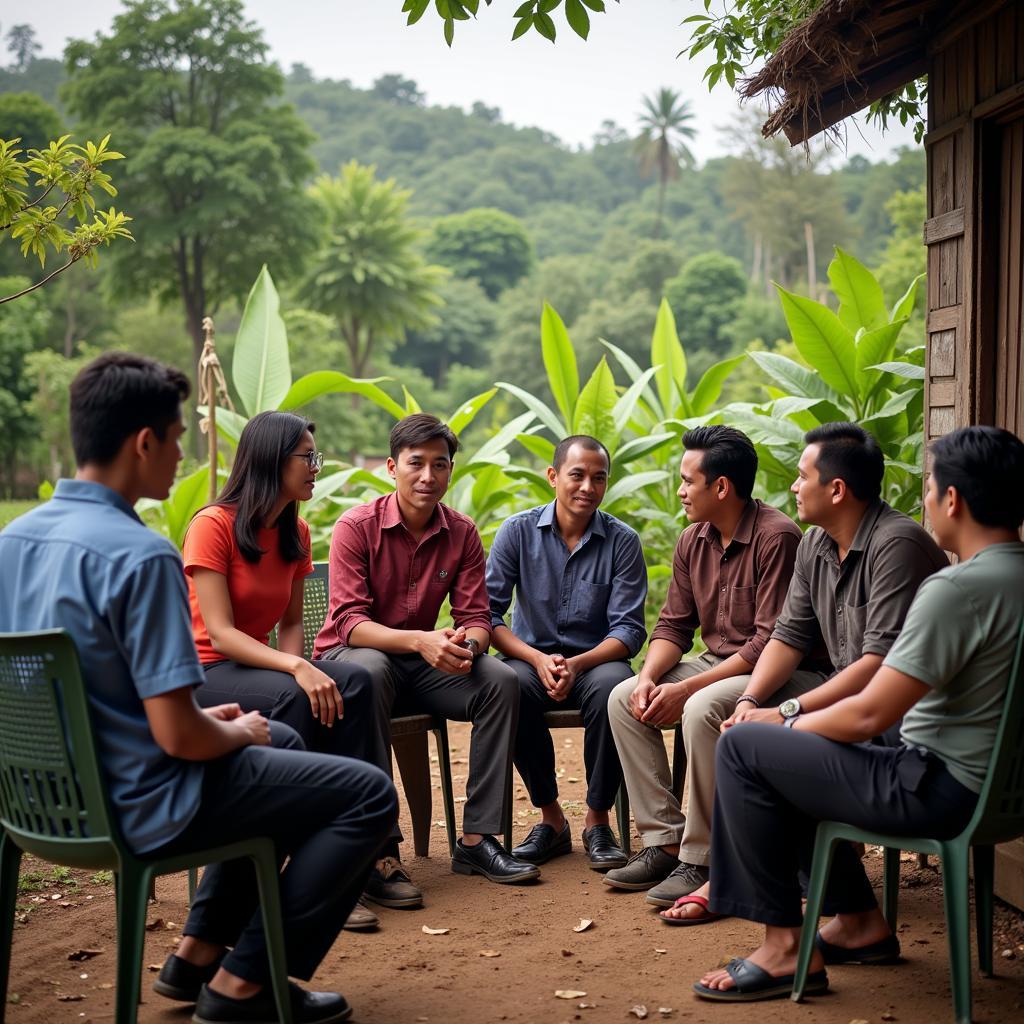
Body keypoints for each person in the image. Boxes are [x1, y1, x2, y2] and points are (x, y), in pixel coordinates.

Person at [0, 353, 397, 1024]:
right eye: (180, 436)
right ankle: (248, 983)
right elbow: (178, 735)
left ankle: (195, 954)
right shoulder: (139, 553)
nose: (184, 452)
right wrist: (235, 728)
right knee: (366, 794)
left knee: (290, 743)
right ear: (144, 442)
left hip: (38, 801)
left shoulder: (12, 540)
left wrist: (228, 719)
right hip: (138, 800)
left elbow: (84, 686)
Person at [692, 424, 1024, 1002]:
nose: (924, 500)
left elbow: (870, 714)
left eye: (929, 487)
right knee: (784, 752)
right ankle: (859, 921)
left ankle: (786, 948)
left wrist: (783, 722)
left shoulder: (957, 588)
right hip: (997, 792)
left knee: (748, 750)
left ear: (953, 499)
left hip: (936, 786)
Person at [660, 421, 949, 926]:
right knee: (742, 726)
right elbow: (788, 637)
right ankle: (769, 881)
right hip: (847, 701)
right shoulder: (816, 544)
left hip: (897, 724)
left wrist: (786, 713)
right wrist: (749, 701)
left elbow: (873, 668)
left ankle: (740, 885)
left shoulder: (895, 545)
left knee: (763, 751)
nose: (793, 486)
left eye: (801, 475)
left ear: (836, 490)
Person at [314, 413, 539, 892]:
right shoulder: (356, 527)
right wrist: (422, 640)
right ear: (392, 467)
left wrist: (466, 646)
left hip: (423, 664)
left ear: (451, 471)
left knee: (500, 681)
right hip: (354, 660)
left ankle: (478, 839)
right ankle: (379, 850)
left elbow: (477, 618)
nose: (428, 476)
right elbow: (349, 623)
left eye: (440, 465)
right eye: (416, 463)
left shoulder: (461, 532)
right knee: (371, 671)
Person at [183, 409, 388, 931]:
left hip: (258, 667)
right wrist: (297, 669)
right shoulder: (213, 525)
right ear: (273, 459)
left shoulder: (295, 530)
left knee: (355, 682)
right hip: (205, 673)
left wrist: (307, 668)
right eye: (308, 457)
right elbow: (222, 632)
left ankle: (370, 854)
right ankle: (296, 866)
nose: (316, 467)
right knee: (298, 693)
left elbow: (292, 623)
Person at [605, 425, 824, 904]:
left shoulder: (777, 537)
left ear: (721, 487)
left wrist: (684, 689)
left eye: (688, 481)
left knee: (701, 705)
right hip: (719, 662)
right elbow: (672, 628)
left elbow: (771, 642)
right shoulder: (692, 539)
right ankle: (663, 841)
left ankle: (701, 858)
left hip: (783, 673)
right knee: (623, 696)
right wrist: (647, 677)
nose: (680, 491)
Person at [486, 435, 647, 869]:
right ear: (554, 476)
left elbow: (629, 629)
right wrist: (538, 659)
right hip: (529, 661)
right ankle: (552, 821)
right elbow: (489, 616)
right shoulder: (517, 532)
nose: (587, 487)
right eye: (577, 475)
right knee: (507, 684)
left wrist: (577, 663)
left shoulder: (622, 541)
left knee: (615, 686)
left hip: (595, 663)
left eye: (599, 478)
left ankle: (597, 821)